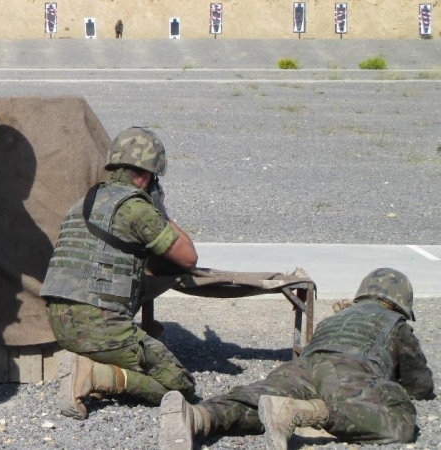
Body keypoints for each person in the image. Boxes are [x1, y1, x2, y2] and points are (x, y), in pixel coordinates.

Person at [160, 268, 435, 450]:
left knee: (258, 399)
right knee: (401, 418)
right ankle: (303, 413)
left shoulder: (337, 316)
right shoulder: (395, 323)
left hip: (303, 365)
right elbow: (419, 385)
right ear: (400, 302)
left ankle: (198, 416)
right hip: (349, 370)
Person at [41, 127, 199, 420]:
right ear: (147, 175)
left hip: (60, 323)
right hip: (100, 328)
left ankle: (100, 368)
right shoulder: (136, 209)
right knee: (182, 387)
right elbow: (189, 258)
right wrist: (161, 210)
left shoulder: (84, 202)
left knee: (143, 349)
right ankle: (99, 377)